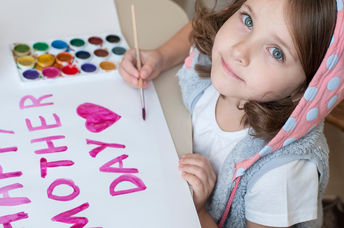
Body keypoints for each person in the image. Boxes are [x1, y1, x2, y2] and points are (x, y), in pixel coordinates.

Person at [119, 0, 344, 227]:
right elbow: (200, 30)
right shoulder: (226, 69)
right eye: (248, 20)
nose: (239, 50)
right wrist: (160, 57)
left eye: (276, 52)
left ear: (304, 90)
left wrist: (197, 211)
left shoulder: (281, 172)